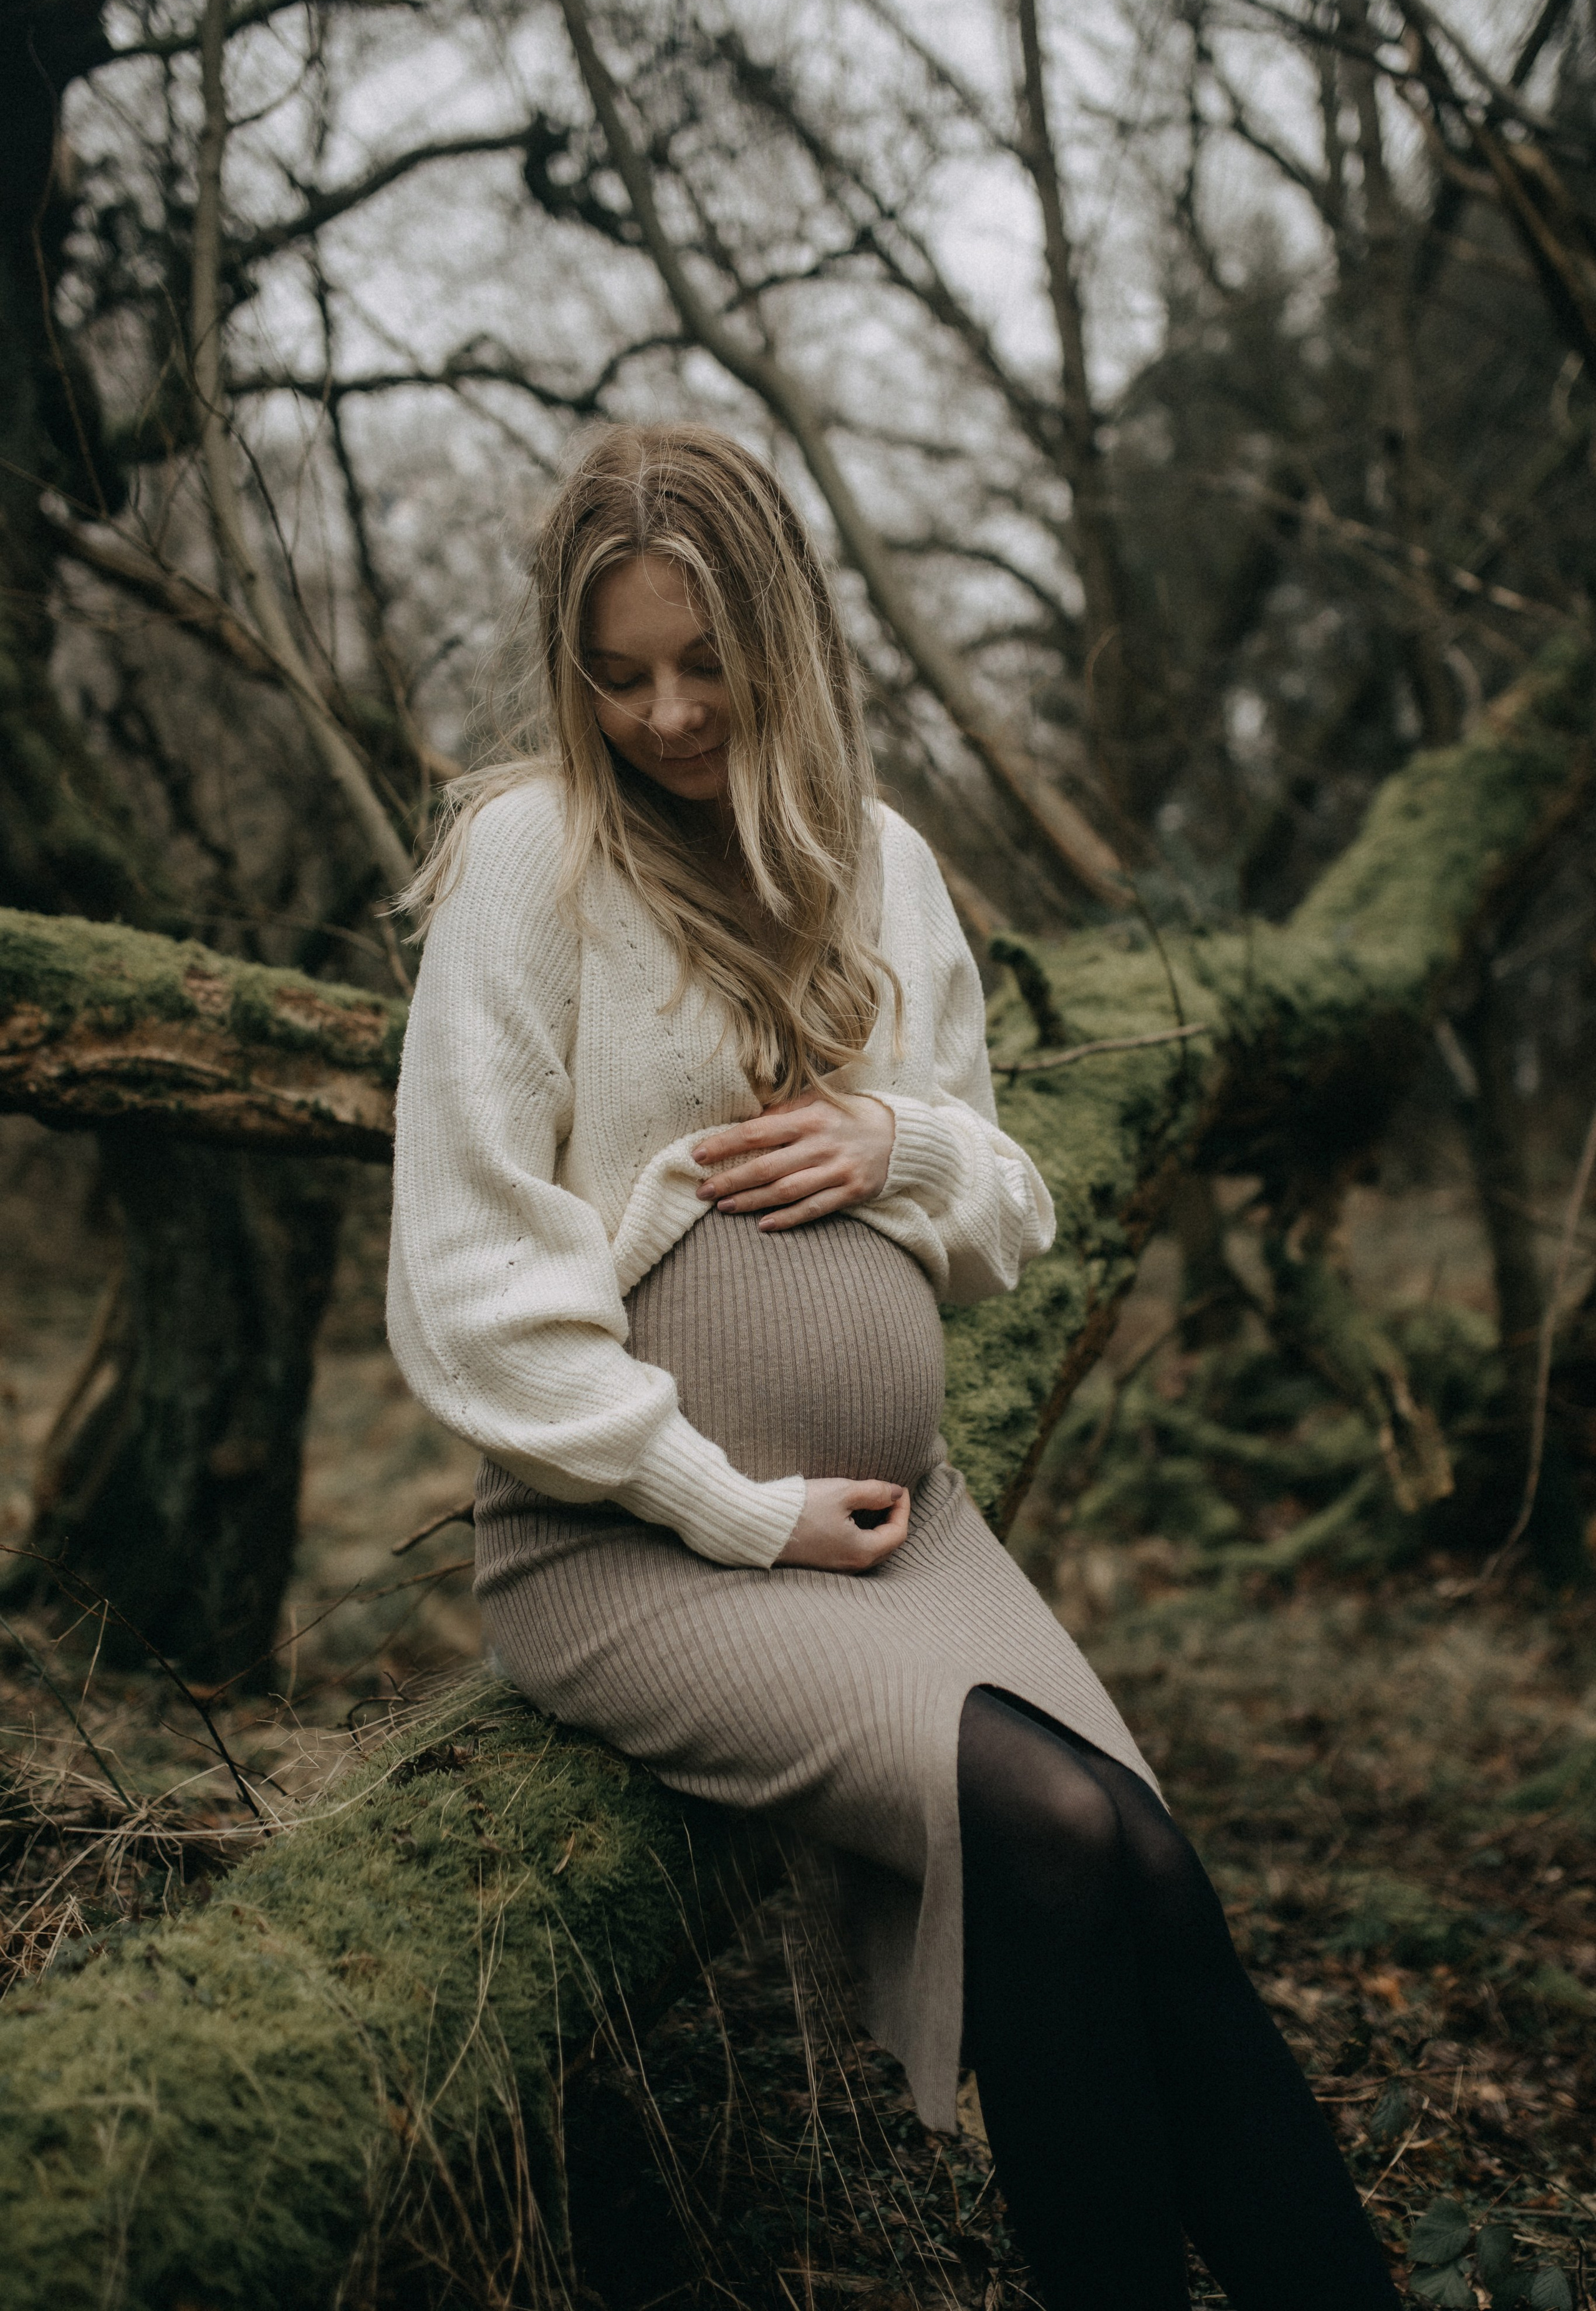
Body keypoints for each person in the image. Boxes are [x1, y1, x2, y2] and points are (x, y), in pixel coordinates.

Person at [387, 423, 1399, 2310]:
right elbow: (466, 1282)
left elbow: (1004, 1211)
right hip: (631, 1543)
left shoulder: (876, 860)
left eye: (707, 664)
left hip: (902, 1525)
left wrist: (896, 1141)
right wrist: (728, 1505)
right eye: (619, 675)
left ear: (787, 642)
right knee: (1047, 1827)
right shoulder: (533, 864)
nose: (667, 714)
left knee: (1150, 1869)